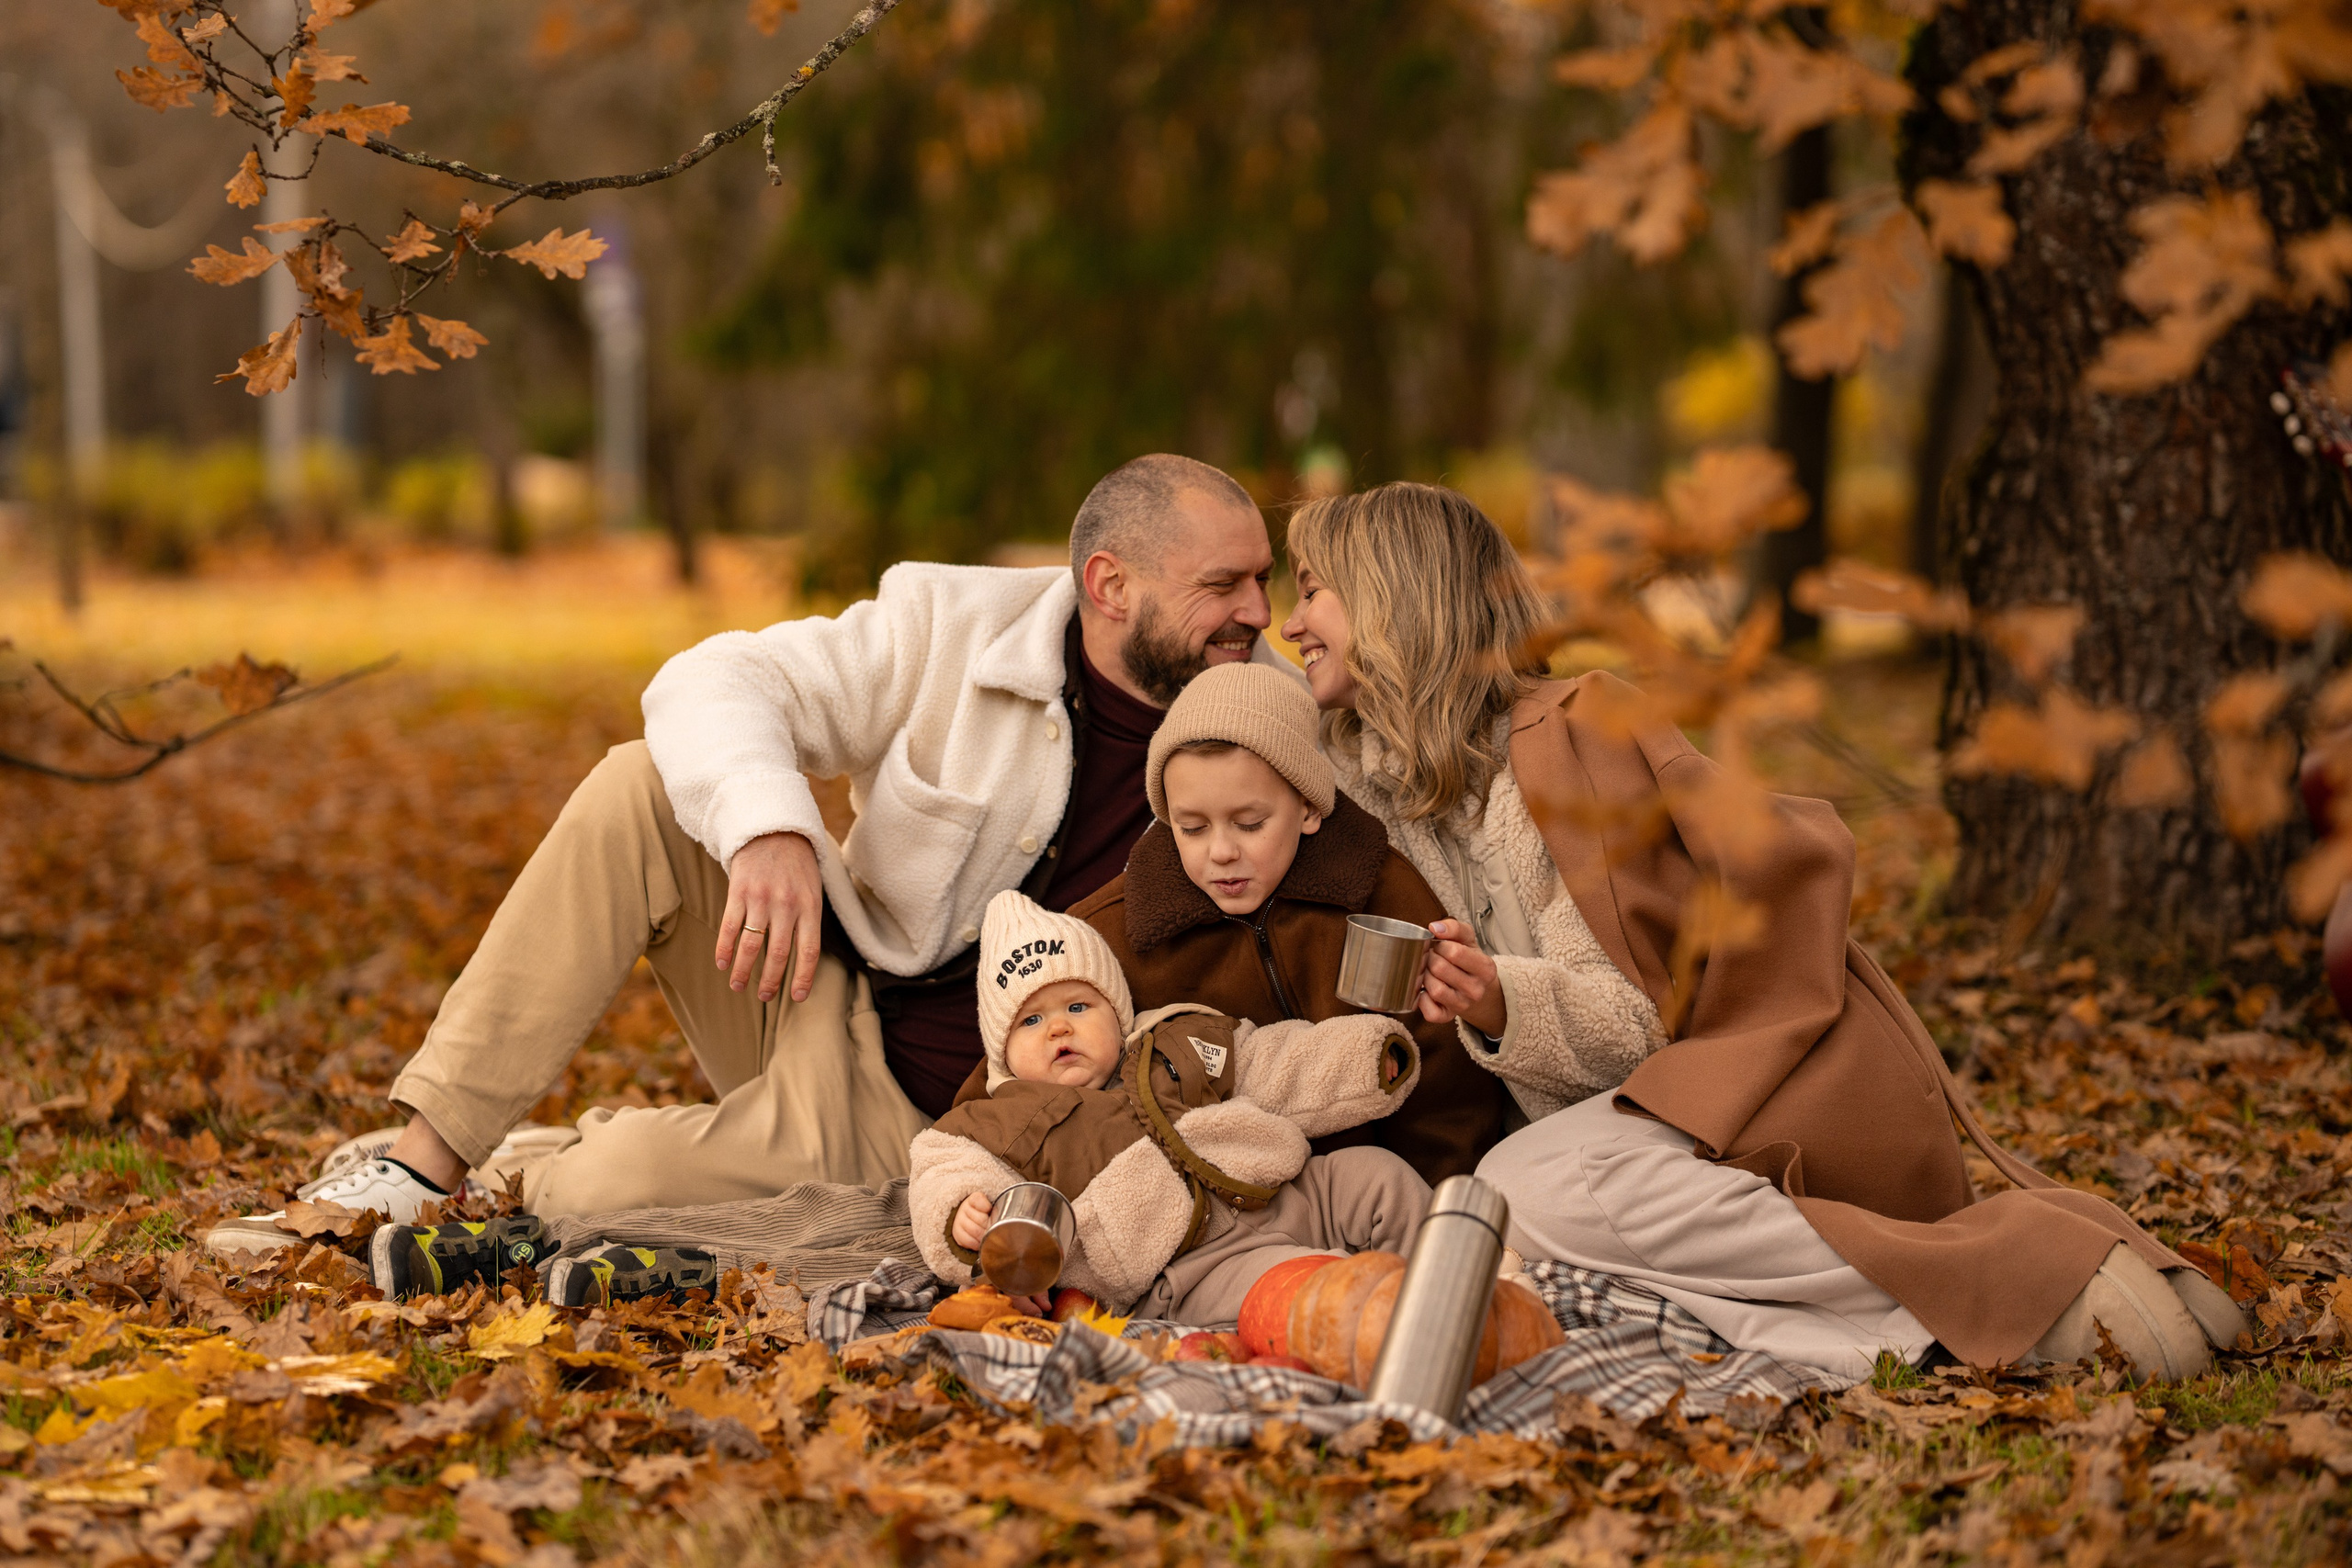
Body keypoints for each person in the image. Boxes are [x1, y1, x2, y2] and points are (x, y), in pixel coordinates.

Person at [206, 454, 1301, 1257]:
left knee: (602, 1191)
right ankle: (418, 1160)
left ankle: (545, 1160)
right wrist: (771, 825)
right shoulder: (954, 625)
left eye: (1264, 580)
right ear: (1111, 585)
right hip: (819, 988)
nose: (1257, 611)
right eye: (1224, 586)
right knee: (641, 784)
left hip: (933, 1123)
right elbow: (711, 680)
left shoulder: (1272, 723)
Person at [1278, 479, 2248, 1383]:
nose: (1285, 621)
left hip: (1741, 1098)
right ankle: (1971, 1322)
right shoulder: (1380, 779)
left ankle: (2007, 1266)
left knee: (1524, 1191)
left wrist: (1499, 999)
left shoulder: (1565, 747)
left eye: (1312, 591)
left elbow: (1643, 1024)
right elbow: (1231, 742)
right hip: (1627, 1152)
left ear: (1391, 597)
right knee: (1519, 1233)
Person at [1066, 663, 1512, 1182]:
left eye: (1250, 824)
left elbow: (1444, 1082)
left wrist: (1435, 1203)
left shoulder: (1382, 893)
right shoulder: (1110, 931)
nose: (1222, 852)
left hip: (1386, 1194)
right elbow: (1018, 1077)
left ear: (1308, 807)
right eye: (1191, 828)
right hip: (1212, 1215)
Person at [910, 889, 1430, 1321]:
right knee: (1301, 1282)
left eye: (1077, 1006)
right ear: (1002, 1052)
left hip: (1288, 1192)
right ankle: (1382, 1308)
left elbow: (1273, 1063)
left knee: (1377, 1176)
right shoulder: (992, 1122)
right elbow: (942, 1171)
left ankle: (1468, 1274)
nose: (1059, 1027)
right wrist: (961, 1216)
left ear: (1116, 1011)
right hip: (1191, 1271)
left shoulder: (1178, 1039)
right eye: (1031, 1021)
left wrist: (1363, 1061)